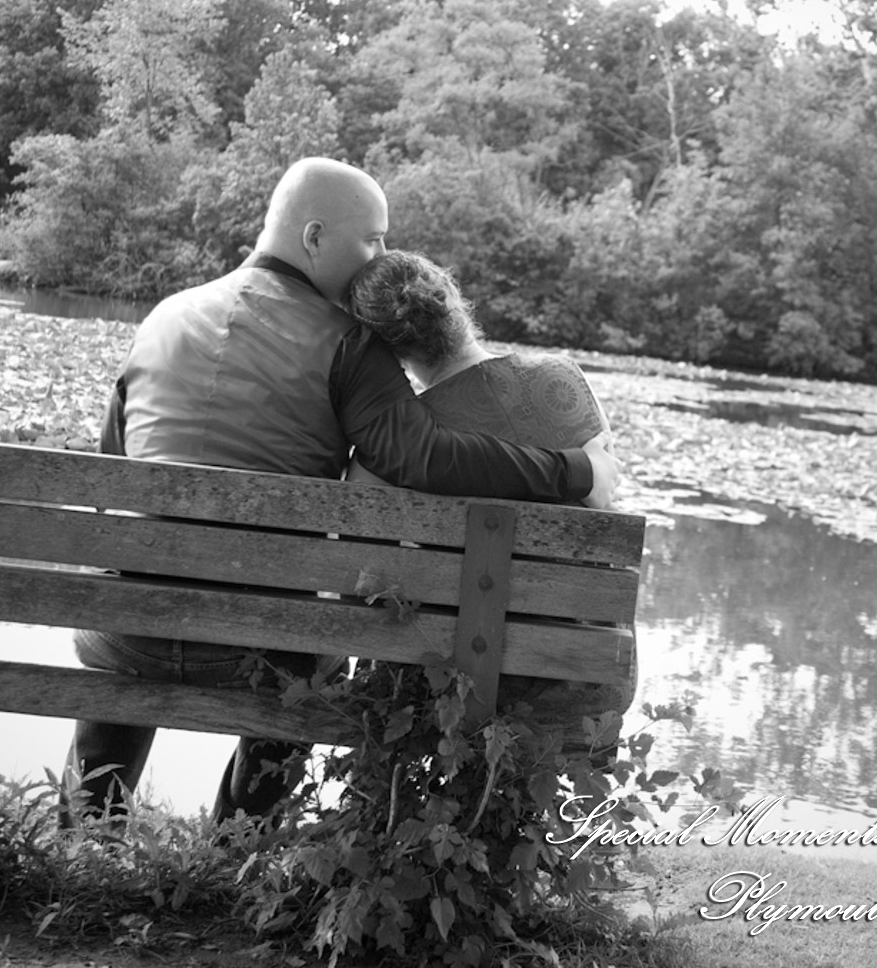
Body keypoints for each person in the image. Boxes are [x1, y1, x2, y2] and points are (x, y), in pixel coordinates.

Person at [63, 158, 620, 826]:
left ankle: (87, 829)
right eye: (373, 239)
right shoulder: (349, 345)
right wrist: (576, 471)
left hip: (128, 633)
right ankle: (239, 849)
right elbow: (422, 455)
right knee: (318, 652)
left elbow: (109, 471)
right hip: (252, 649)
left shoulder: (163, 316)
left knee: (128, 612)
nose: (381, 255)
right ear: (315, 236)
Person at [344, 249, 635, 739]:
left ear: (387, 353)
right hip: (583, 675)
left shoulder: (389, 450)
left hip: (440, 686)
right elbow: (604, 503)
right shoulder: (561, 380)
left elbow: (364, 576)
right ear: (454, 300)